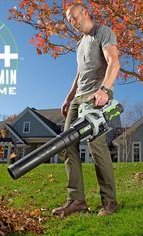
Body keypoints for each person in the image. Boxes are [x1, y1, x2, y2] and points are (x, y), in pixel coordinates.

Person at [51, 3, 120, 217]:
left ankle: (109, 202)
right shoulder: (80, 44)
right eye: (68, 19)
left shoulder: (103, 32)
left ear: (85, 13)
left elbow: (114, 62)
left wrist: (104, 90)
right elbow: (79, 75)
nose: (71, 22)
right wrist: (68, 97)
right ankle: (76, 201)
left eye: (73, 17)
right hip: (78, 99)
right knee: (67, 144)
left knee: (96, 145)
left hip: (96, 96)